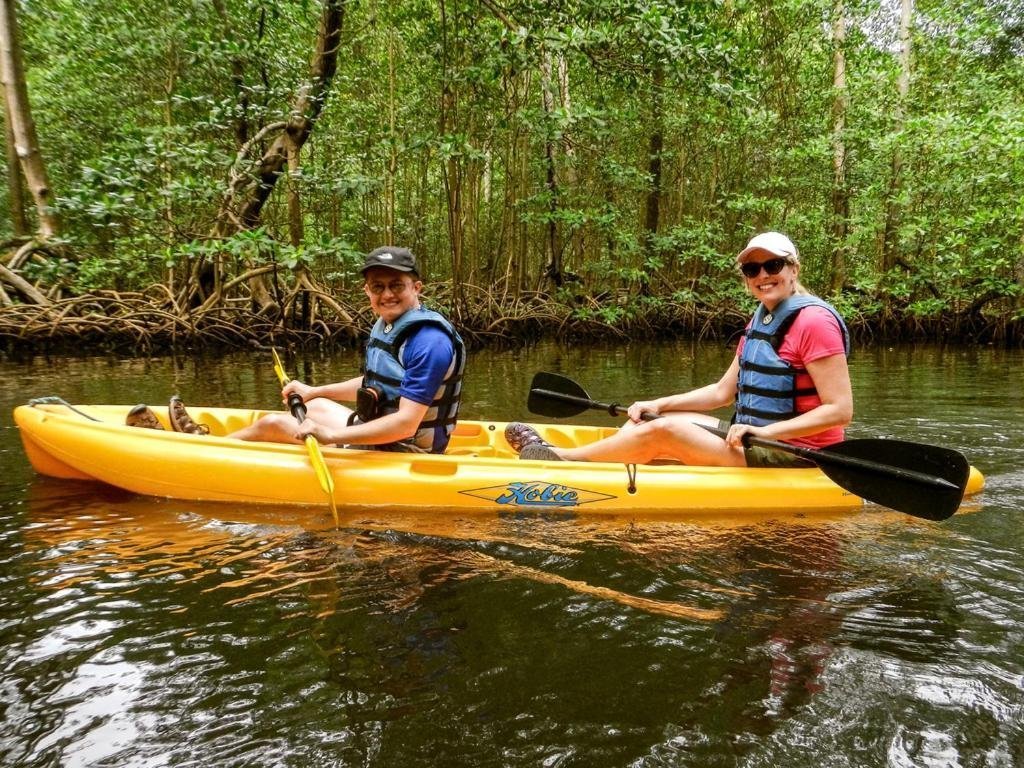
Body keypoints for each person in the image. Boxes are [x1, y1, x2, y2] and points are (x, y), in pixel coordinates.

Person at [510, 231, 852, 466]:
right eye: (752, 269)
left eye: (773, 265)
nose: (762, 275)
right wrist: (657, 403)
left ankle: (562, 458)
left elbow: (840, 411)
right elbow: (722, 392)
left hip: (796, 453)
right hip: (753, 440)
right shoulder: (764, 318)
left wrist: (764, 432)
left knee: (665, 431)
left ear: (793, 269)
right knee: (660, 418)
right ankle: (608, 456)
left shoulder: (814, 322)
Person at [133, 246, 466, 453]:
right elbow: (375, 382)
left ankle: (194, 452)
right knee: (317, 404)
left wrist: (330, 436)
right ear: (367, 290)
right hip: (384, 430)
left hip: (405, 448)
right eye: (378, 287)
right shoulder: (391, 323)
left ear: (416, 287)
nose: (387, 294)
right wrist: (313, 390)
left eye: (397, 285)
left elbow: (406, 424)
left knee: (273, 425)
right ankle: (206, 445)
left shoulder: (428, 341)